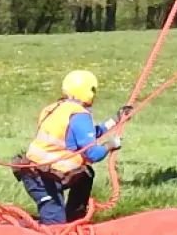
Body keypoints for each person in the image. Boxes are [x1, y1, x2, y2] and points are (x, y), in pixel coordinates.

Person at [14, 70, 126, 226]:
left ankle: (74, 221)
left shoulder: (55, 108)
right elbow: (93, 154)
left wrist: (115, 120)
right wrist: (111, 145)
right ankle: (20, 230)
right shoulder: (79, 115)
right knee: (55, 227)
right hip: (43, 179)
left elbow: (88, 134)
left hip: (36, 171)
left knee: (85, 175)